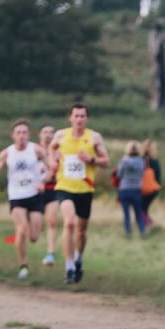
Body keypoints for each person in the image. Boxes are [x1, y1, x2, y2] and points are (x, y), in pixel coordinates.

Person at [49, 103, 110, 284]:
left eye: (82, 116)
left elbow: (106, 161)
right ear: (70, 118)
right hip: (64, 187)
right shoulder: (61, 135)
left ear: (87, 119)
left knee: (81, 232)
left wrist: (91, 159)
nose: (79, 119)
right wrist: (52, 161)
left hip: (85, 189)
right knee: (69, 223)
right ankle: (69, 267)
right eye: (76, 116)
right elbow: (51, 148)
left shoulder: (94, 138)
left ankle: (78, 258)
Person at [0, 119, 47, 279]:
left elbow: (50, 166)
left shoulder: (37, 150)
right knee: (21, 230)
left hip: (35, 195)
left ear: (29, 135)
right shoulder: (7, 153)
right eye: (18, 133)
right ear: (13, 136)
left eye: (24, 132)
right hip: (16, 196)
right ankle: (23, 266)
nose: (22, 136)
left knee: (34, 237)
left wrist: (43, 180)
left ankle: (30, 229)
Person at [38, 123, 58, 266]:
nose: (48, 135)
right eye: (45, 132)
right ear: (40, 134)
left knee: (51, 222)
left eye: (51, 132)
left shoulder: (58, 152)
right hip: (33, 191)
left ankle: (50, 254)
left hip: (52, 189)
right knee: (36, 225)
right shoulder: (33, 150)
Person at [117, 141, 145, 237]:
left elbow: (119, 175)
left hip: (124, 189)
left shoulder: (124, 161)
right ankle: (142, 231)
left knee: (126, 213)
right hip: (136, 189)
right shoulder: (141, 161)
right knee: (138, 213)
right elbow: (142, 174)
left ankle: (128, 232)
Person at [141, 139, 161, 226]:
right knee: (145, 209)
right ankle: (148, 223)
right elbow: (158, 178)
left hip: (142, 189)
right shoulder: (155, 162)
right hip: (153, 190)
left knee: (142, 209)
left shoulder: (139, 160)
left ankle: (147, 224)